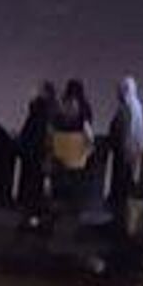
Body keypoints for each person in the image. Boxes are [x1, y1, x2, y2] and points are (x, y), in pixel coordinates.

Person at [50, 78, 98, 223]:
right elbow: (87, 128)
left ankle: (58, 210)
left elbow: (53, 126)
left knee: (60, 181)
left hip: (61, 148)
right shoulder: (85, 107)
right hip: (77, 151)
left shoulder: (61, 106)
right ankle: (73, 210)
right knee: (76, 181)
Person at [107, 76, 143, 223]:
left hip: (124, 153)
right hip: (129, 153)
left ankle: (121, 219)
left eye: (119, 90)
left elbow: (123, 132)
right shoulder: (136, 106)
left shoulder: (127, 108)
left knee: (122, 185)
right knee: (125, 184)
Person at [16, 85, 55, 219]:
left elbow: (29, 135)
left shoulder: (36, 118)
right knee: (38, 186)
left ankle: (32, 214)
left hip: (32, 155)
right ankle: (37, 213)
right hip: (39, 155)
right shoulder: (48, 117)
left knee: (31, 185)